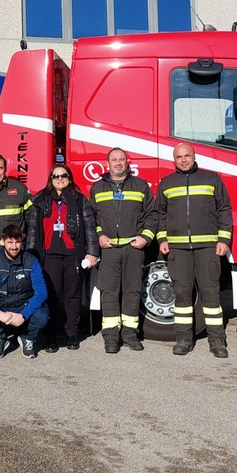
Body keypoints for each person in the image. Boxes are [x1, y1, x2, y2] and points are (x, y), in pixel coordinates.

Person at [157, 142, 232, 358]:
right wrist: (163, 239)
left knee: (211, 294)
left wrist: (223, 239)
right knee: (181, 295)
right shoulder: (167, 183)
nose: (183, 160)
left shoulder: (211, 178)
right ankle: (183, 339)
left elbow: (224, 209)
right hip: (178, 248)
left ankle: (217, 340)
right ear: (174, 159)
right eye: (179, 156)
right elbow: (160, 213)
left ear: (193, 155)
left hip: (208, 246)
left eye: (187, 155)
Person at [89, 148, 157, 354]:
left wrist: (145, 238)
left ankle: (129, 334)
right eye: (114, 160)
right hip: (109, 249)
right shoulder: (97, 187)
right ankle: (110, 337)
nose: (118, 163)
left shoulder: (141, 185)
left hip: (133, 248)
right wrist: (100, 235)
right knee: (109, 292)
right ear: (107, 163)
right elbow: (92, 218)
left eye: (122, 159)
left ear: (128, 163)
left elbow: (152, 215)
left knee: (132, 291)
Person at [26, 163, 99, 351]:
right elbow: (33, 231)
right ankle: (51, 335)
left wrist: (92, 252)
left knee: (72, 296)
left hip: (73, 255)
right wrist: (31, 255)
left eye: (63, 175)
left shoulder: (80, 200)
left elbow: (90, 228)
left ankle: (72, 334)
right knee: (52, 296)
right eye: (56, 176)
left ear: (70, 177)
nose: (60, 179)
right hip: (49, 255)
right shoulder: (40, 200)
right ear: (50, 179)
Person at [0, 224, 48, 359]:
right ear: (2, 241)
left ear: (22, 242)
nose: (14, 247)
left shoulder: (31, 261)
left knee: (42, 315)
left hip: (23, 305)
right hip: (0, 305)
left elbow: (42, 293)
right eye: (10, 242)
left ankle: (27, 338)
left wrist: (23, 315)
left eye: (17, 242)